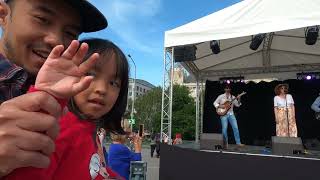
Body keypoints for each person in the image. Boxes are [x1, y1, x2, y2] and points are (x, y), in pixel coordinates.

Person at [0, 0, 107, 177]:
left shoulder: (69, 99)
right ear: (3, 14)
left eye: (70, 33)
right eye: (42, 19)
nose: (55, 40)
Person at [5, 38, 129, 179]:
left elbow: (95, 170)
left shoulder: (90, 129)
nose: (102, 89)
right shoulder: (55, 127)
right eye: (90, 74)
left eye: (113, 83)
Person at [214, 84, 244, 148]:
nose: (227, 89)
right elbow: (215, 103)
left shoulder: (233, 97)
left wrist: (239, 98)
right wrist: (220, 106)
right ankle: (225, 144)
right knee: (224, 129)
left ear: (230, 89)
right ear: (224, 89)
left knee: (235, 128)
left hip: (231, 114)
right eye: (226, 88)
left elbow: (238, 105)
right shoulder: (221, 96)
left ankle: (238, 143)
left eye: (228, 88)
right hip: (223, 114)